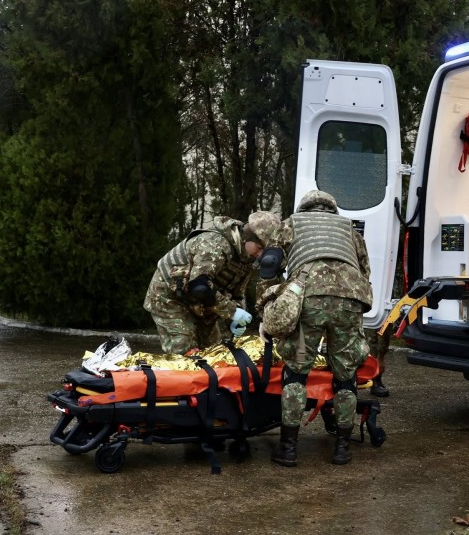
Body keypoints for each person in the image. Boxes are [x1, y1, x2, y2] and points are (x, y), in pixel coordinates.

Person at [265, 190, 372, 466]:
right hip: (350, 299)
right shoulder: (349, 228)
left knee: (297, 372)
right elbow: (364, 270)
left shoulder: (292, 223)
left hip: (308, 300)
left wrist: (268, 303)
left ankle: (288, 449)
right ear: (331, 210)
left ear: (304, 208)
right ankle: (342, 448)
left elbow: (269, 264)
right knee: (345, 375)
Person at [144, 211, 280, 355]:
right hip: (170, 297)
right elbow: (199, 287)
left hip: (201, 303)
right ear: (248, 238)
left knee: (213, 351)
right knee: (185, 350)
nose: (260, 254)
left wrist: (234, 319)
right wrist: (232, 312)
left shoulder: (247, 257)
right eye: (259, 248)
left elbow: (236, 293)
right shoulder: (215, 243)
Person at [366, 329, 391, 397]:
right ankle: (375, 381)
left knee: (383, 343)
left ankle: (377, 380)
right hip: (370, 320)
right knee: (372, 342)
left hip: (384, 319)